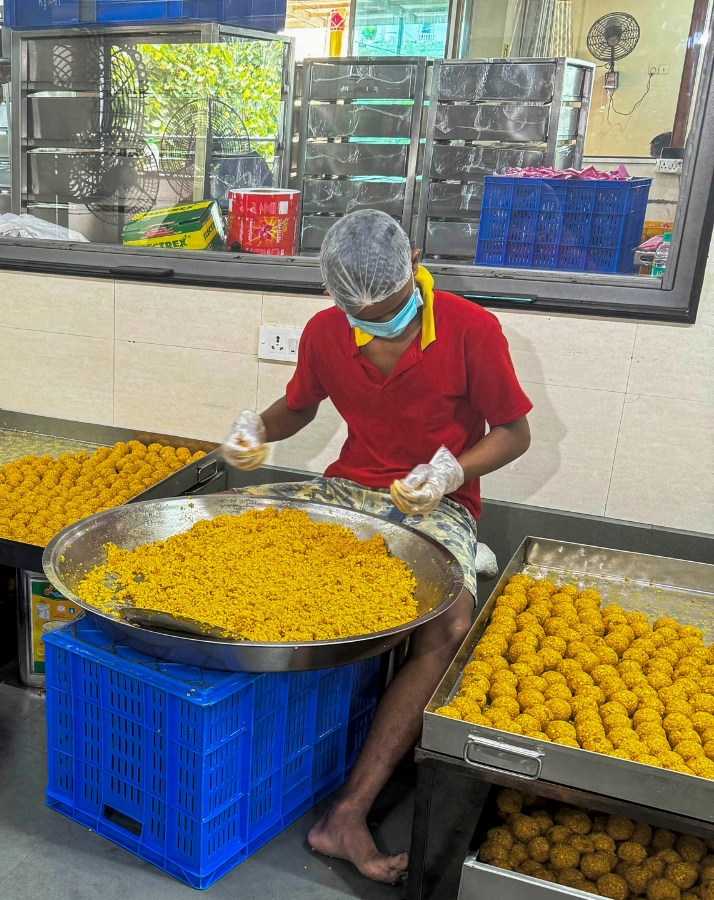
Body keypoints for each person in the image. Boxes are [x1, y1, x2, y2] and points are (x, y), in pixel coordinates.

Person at [220, 209, 532, 884]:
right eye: (359, 313)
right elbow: (300, 405)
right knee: (235, 535)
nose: (374, 323)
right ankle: (257, 751)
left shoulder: (471, 329)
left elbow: (514, 432)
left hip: (436, 498)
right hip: (351, 490)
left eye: (387, 310)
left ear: (414, 263)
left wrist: (451, 470)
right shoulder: (327, 331)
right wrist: (256, 429)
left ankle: (348, 812)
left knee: (448, 623)